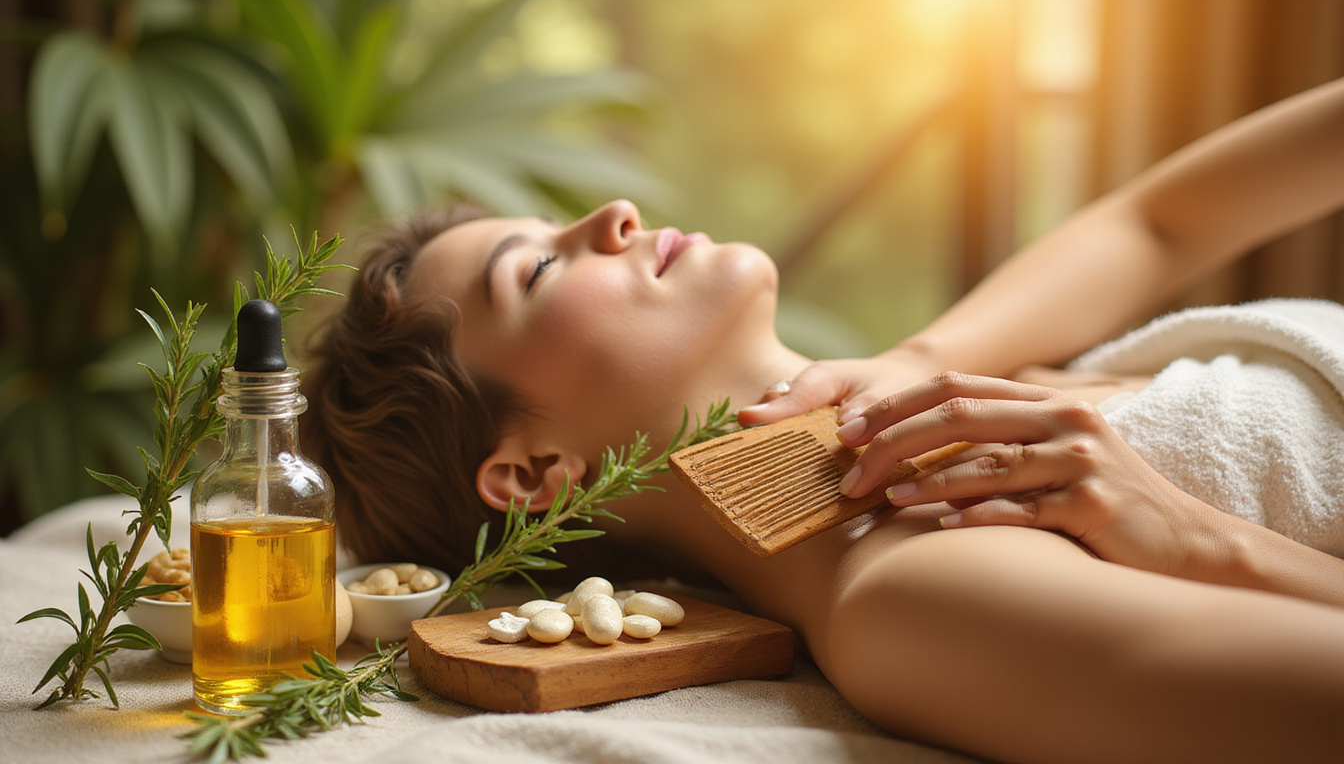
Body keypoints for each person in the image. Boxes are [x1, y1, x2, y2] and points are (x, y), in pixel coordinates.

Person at [302, 76, 1344, 763]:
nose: (610, 217)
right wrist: (1210, 545)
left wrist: (928, 358)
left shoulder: (937, 383)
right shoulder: (913, 584)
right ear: (532, 474)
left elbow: (1158, 224)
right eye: (535, 269)